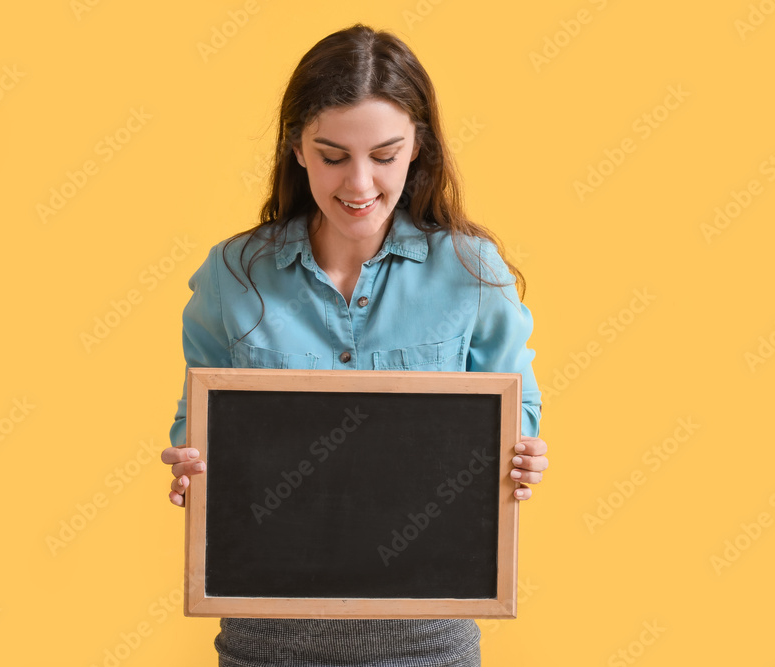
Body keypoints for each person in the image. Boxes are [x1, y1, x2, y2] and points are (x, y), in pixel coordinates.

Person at [160, 23, 550, 667]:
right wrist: (190, 466)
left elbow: (516, 415)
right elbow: (196, 426)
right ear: (297, 149)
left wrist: (523, 458)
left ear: (419, 148)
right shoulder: (233, 276)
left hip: (429, 638)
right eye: (333, 155)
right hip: (265, 637)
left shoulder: (474, 274)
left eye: (385, 155)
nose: (359, 184)